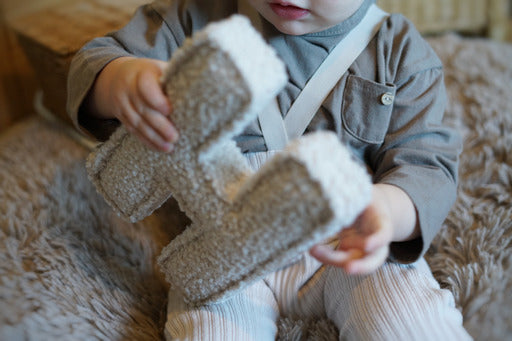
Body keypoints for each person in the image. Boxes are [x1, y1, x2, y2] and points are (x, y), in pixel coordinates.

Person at [67, 0, 472, 339]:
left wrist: (386, 209)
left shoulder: (399, 51)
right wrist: (120, 81)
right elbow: (93, 59)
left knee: (410, 322)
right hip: (223, 247)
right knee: (210, 330)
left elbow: (426, 165)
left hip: (344, 241)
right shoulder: (195, 17)